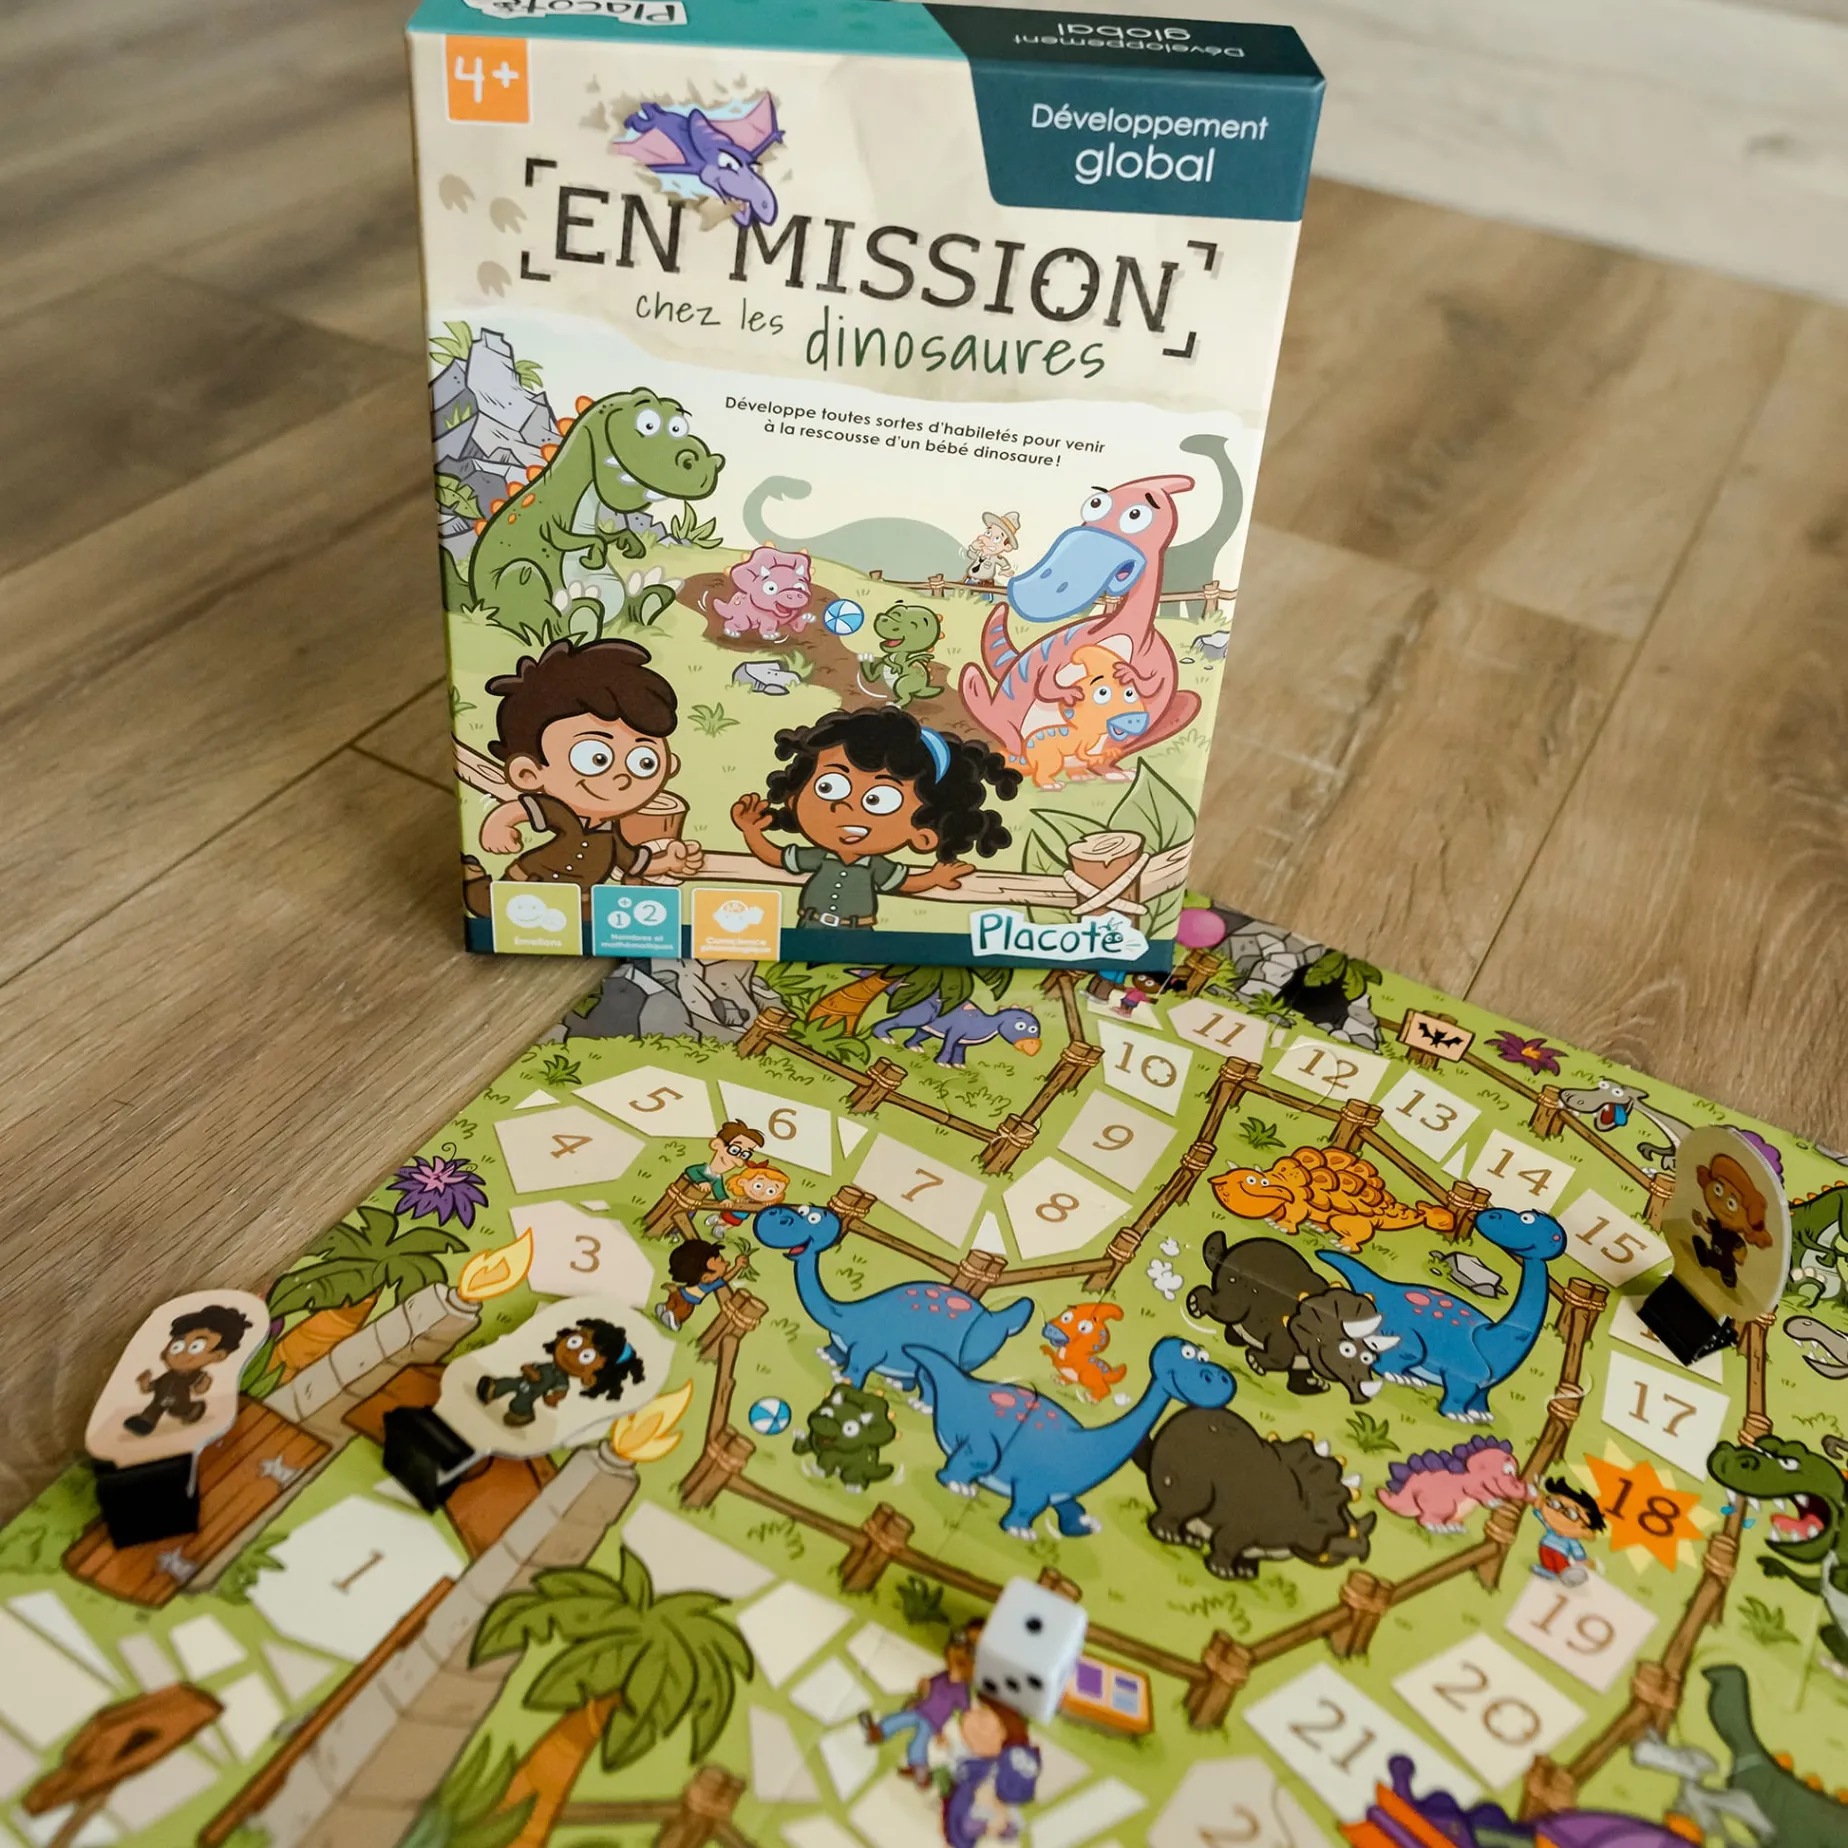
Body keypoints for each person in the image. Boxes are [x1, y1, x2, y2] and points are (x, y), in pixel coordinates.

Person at [462, 637, 702, 917]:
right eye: (596, 759)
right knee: (492, 909)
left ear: (669, 766)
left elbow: (633, 861)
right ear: (528, 773)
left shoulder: (611, 834)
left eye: (644, 762)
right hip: (531, 884)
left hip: (582, 900)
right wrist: (497, 824)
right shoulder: (561, 814)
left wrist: (666, 862)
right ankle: (475, 878)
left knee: (593, 923)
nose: (623, 778)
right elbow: (522, 809)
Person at [731, 708, 1018, 931]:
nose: (845, 807)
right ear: (794, 800)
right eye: (828, 786)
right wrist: (751, 831)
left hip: (859, 934)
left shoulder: (875, 867)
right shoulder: (817, 858)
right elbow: (776, 856)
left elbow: (904, 883)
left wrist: (934, 877)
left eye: (879, 800)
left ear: (923, 834)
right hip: (808, 928)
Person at [860, 1620, 982, 1786]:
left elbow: (966, 1711)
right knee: (898, 1719)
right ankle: (878, 1731)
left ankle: (920, 1770)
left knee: (918, 1742)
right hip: (920, 1709)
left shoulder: (960, 1691)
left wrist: (949, 1734)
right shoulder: (943, 1676)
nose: (954, 1669)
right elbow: (929, 1687)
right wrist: (920, 1693)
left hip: (932, 1721)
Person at [475, 1319, 644, 1427]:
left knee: (522, 1400)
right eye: (574, 1341)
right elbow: (526, 1366)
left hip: (533, 1391)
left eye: (586, 1356)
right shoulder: (548, 1365)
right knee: (509, 1382)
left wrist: (553, 1398)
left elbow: (560, 1391)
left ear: (590, 1377)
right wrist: (530, 1370)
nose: (573, 1352)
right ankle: (493, 1389)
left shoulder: (561, 1379)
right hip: (522, 1380)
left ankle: (521, 1413)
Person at [123, 1304, 253, 1438]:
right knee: (153, 1409)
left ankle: (192, 1410)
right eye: (177, 1346)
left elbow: (199, 1389)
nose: (181, 1354)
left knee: (181, 1409)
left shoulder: (194, 1375)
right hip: (159, 1399)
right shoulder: (167, 1376)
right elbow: (151, 1387)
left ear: (219, 1355)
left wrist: (203, 1384)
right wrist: (145, 1382)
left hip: (180, 1402)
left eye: (195, 1347)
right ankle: (145, 1423)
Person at [655, 1238, 746, 1332]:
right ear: (706, 1278)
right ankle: (674, 1318)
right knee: (683, 1312)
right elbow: (725, 1278)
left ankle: (665, 1308)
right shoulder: (709, 1285)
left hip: (680, 1292)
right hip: (688, 1301)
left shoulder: (700, 1279)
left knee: (673, 1301)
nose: (727, 1263)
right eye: (722, 1262)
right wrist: (737, 1266)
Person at [1531, 1477, 1606, 1585]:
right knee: (1546, 1560)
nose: (1559, 1512)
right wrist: (1537, 1507)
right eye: (1554, 1504)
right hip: (1544, 1547)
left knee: (1561, 1565)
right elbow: (1541, 1516)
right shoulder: (1551, 1529)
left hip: (1560, 1553)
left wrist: (1583, 1560)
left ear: (1585, 1529)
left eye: (1571, 1514)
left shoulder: (1571, 1541)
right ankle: (1549, 1571)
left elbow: (1577, 1551)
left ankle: (1568, 1575)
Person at [682, 1121, 764, 1203]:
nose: (738, 1158)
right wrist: (701, 1181)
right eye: (734, 1150)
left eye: (744, 1155)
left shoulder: (717, 1178)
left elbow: (718, 1190)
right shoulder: (703, 1169)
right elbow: (690, 1170)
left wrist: (723, 1199)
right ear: (717, 1145)